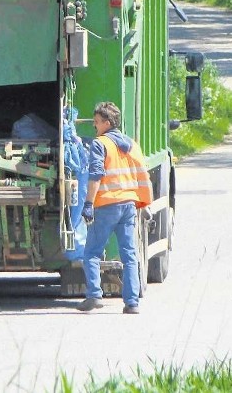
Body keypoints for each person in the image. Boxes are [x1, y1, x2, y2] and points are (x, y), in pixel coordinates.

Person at [76, 102, 152, 315]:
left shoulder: (100, 144)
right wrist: (144, 202)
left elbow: (96, 176)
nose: (95, 126)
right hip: (128, 204)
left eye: (97, 122)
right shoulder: (131, 144)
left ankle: (94, 295)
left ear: (107, 123)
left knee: (91, 252)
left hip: (107, 205)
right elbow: (142, 173)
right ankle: (132, 303)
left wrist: (89, 204)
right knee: (129, 254)